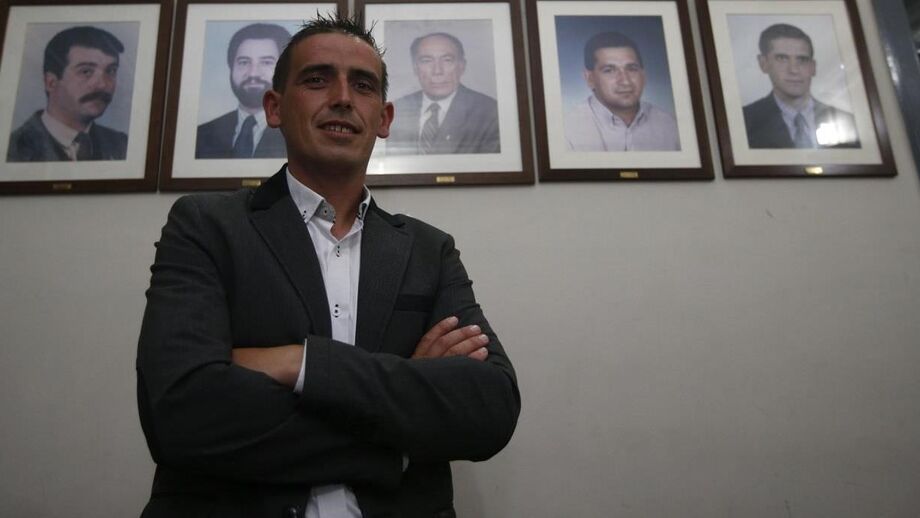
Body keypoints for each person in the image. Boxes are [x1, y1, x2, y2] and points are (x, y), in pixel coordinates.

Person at [137, 13, 519, 518]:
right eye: (317, 79)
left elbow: (490, 407)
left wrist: (300, 363)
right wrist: (398, 430)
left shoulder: (430, 250)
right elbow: (181, 415)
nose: (342, 97)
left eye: (362, 85)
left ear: (384, 119)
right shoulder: (205, 226)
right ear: (274, 107)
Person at [7, 26, 127, 162]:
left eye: (111, 71)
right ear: (51, 82)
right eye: (86, 72)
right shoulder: (11, 151)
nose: (102, 85)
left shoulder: (122, 146)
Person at [742, 23, 860, 149]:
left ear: (813, 67)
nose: (794, 70)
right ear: (763, 63)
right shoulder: (744, 122)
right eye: (782, 58)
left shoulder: (850, 123)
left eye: (802, 60)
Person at [564, 31, 680, 151]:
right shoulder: (568, 131)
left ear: (643, 76)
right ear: (590, 79)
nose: (625, 81)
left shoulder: (669, 125)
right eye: (609, 70)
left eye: (632, 69)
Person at [387, 32, 500, 155]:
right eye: (426, 61)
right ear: (415, 68)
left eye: (447, 60)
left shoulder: (490, 113)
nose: (437, 71)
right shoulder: (396, 110)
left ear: (462, 66)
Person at [195, 23, 290, 159]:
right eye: (244, 62)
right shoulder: (202, 134)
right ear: (231, 68)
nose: (253, 73)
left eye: (266, 62)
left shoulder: (300, 133)